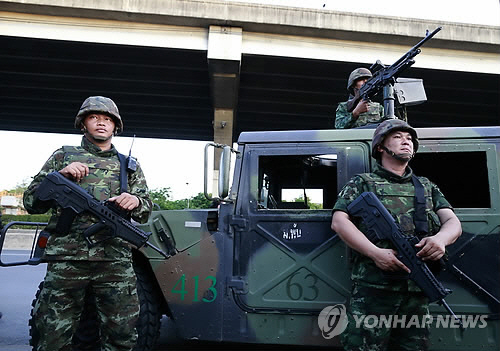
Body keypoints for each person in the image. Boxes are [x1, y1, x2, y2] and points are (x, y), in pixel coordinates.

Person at [23, 96, 152, 351]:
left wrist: (135, 201)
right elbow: (31, 202)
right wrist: (60, 176)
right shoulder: (62, 156)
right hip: (67, 259)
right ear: (83, 123)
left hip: (114, 260)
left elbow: (146, 209)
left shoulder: (129, 165)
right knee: (52, 332)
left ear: (116, 126)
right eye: (94, 117)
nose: (101, 123)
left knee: (122, 334)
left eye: (108, 119)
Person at [330, 119, 462, 351]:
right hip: (373, 290)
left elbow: (452, 222)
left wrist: (440, 240)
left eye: (410, 138)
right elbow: (340, 222)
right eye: (398, 137)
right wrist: (375, 253)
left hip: (416, 291)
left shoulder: (426, 186)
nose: (406, 141)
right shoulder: (363, 183)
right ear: (380, 146)